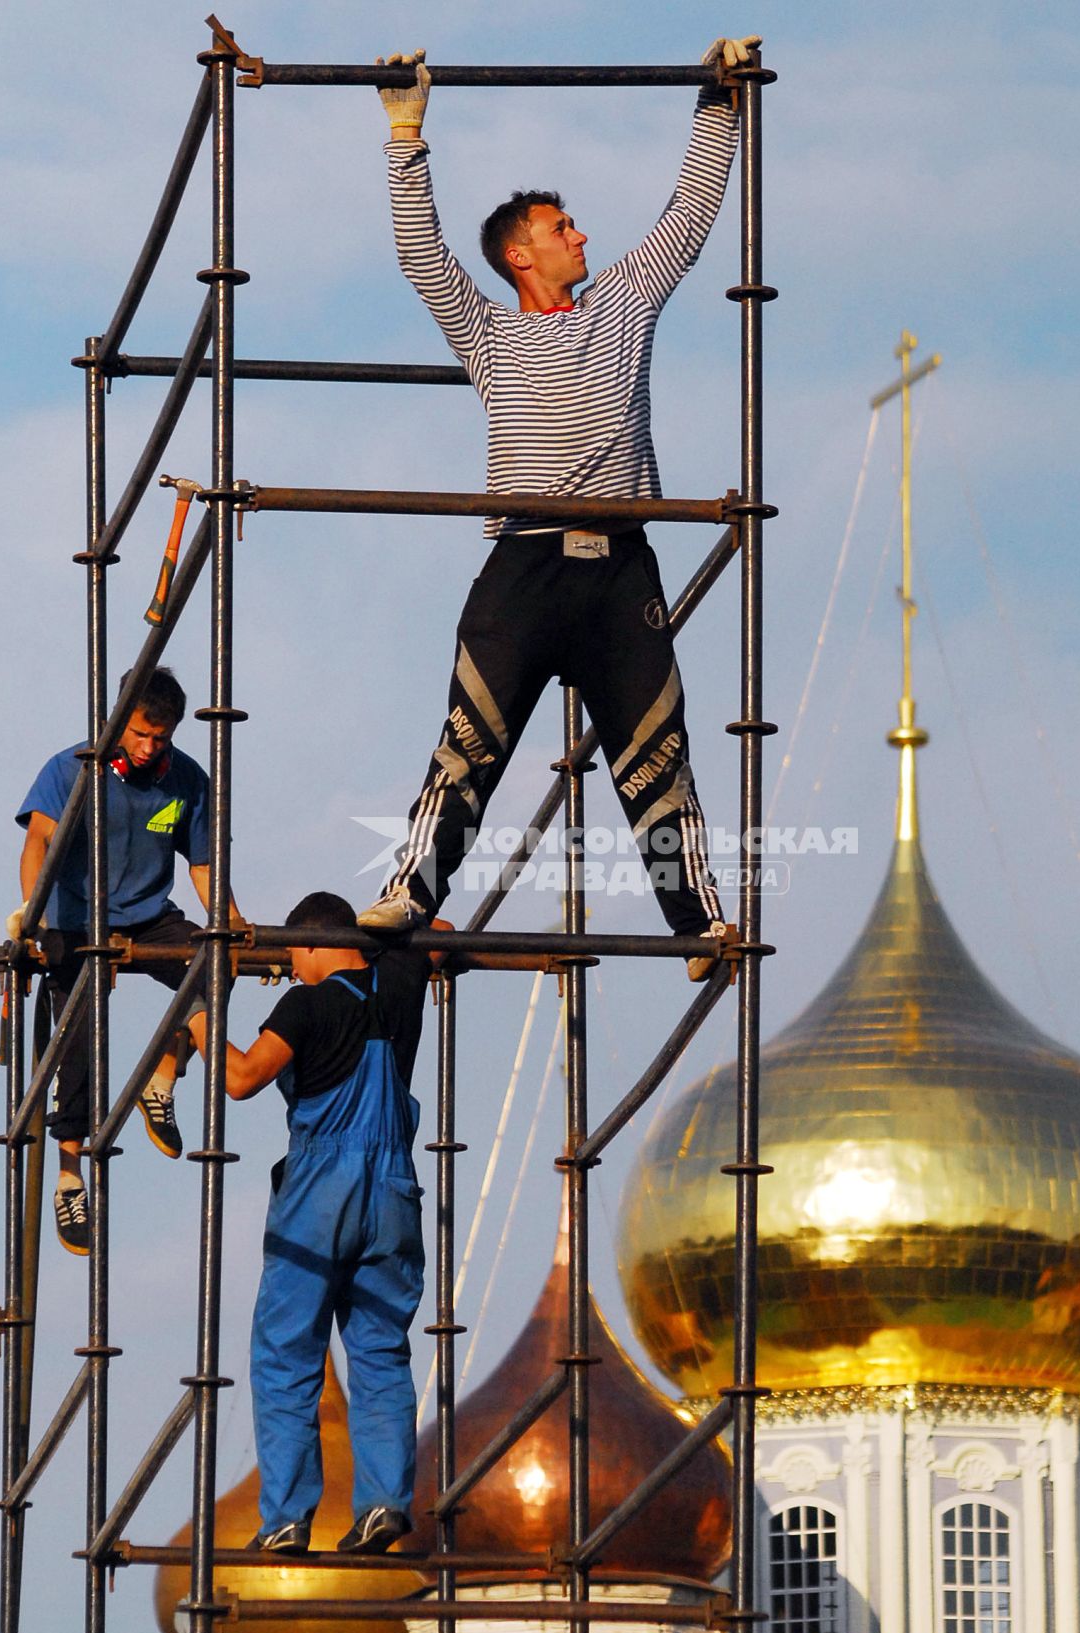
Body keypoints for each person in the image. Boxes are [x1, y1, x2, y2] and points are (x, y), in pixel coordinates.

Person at [360, 36, 760, 979]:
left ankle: (698, 921)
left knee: (657, 756)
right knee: (471, 743)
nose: (581, 234)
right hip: (525, 567)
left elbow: (689, 217)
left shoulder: (623, 302)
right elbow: (422, 253)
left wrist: (720, 101)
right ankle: (414, 889)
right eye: (561, 225)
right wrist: (405, 130)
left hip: (622, 569)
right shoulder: (489, 329)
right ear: (519, 252)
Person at [187, 892, 432, 1555]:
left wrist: (198, 1015)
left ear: (317, 942)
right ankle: (384, 1501)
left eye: (295, 954)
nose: (292, 967)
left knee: (287, 1352)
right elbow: (438, 928)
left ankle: (289, 1517)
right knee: (381, 1351)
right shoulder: (404, 980)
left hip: (321, 1192)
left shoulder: (307, 1003)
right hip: (393, 1192)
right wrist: (392, 929)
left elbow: (240, 1078)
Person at [12, 667, 236, 1257]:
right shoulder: (71, 769)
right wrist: (33, 920)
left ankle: (162, 1075)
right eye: (138, 733)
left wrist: (230, 921)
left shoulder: (186, 779)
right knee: (80, 1032)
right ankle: (70, 1175)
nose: (146, 747)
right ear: (117, 720)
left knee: (218, 964)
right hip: (78, 918)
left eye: (159, 738)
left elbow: (204, 865)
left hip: (147, 914)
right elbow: (38, 844)